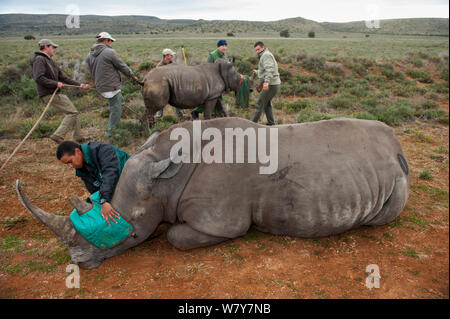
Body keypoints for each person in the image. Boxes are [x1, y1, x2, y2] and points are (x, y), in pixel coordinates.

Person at [56, 140, 130, 225]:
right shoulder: (81, 169)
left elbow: (110, 173)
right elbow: (94, 190)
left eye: (70, 161)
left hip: (134, 182)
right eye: (67, 164)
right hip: (117, 190)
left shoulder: (102, 150)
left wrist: (104, 200)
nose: (70, 166)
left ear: (77, 151)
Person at [32, 39, 90, 144]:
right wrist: (55, 83)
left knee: (73, 112)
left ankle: (78, 137)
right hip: (48, 93)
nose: (54, 49)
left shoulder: (50, 60)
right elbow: (38, 78)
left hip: (54, 92)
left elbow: (63, 77)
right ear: (46, 47)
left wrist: (80, 85)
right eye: (53, 47)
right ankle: (58, 135)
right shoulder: (39, 59)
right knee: (72, 112)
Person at [86, 32, 140, 138]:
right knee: (115, 110)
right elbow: (122, 65)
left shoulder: (90, 54)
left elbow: (90, 70)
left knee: (119, 102)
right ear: (106, 40)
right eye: (110, 41)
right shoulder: (109, 52)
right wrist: (132, 75)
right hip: (111, 86)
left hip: (100, 86)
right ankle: (112, 134)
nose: (111, 43)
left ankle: (120, 110)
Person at [191, 39, 228, 119]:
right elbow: (208, 68)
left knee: (216, 97)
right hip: (212, 81)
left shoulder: (224, 55)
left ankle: (218, 112)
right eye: (222, 46)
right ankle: (197, 111)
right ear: (218, 47)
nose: (224, 47)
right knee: (213, 97)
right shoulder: (212, 55)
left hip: (220, 80)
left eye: (225, 46)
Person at [251, 41, 281, 126]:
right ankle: (271, 123)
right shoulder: (265, 55)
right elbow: (265, 69)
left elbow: (270, 69)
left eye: (259, 49)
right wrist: (257, 72)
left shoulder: (266, 55)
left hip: (271, 84)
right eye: (256, 50)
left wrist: (266, 82)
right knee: (267, 104)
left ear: (263, 47)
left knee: (259, 104)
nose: (257, 51)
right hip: (274, 84)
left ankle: (251, 125)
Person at [155, 48, 184, 120]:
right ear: (166, 56)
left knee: (177, 100)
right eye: (171, 55)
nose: (172, 56)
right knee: (160, 102)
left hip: (173, 87)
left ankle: (180, 116)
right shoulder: (159, 66)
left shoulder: (173, 64)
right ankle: (158, 117)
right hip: (163, 88)